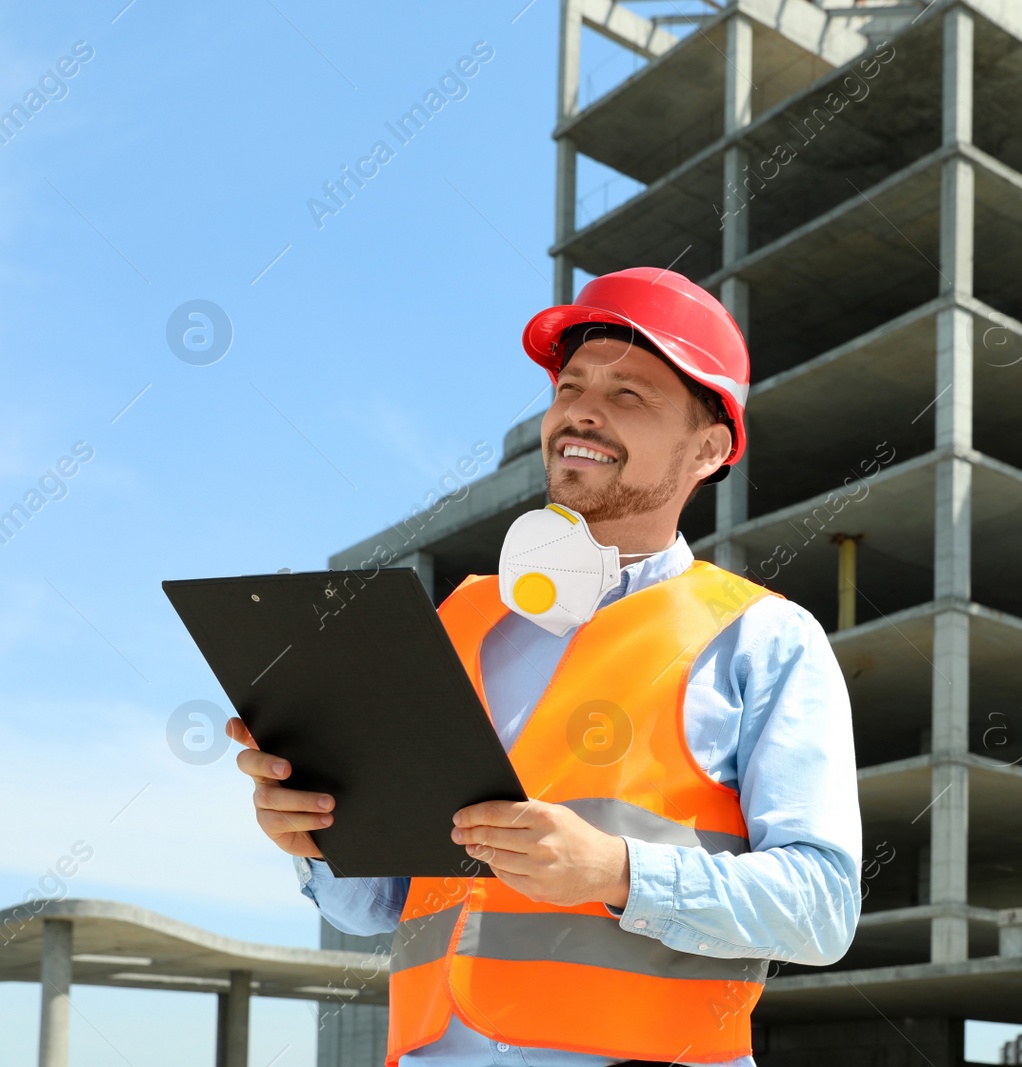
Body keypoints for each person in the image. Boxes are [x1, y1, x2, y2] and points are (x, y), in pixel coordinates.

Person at [225, 268, 862, 1066]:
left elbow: (823, 910)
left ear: (710, 448)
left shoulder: (764, 639)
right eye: (570, 386)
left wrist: (615, 870)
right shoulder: (457, 623)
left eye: (629, 392)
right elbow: (384, 904)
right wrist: (315, 838)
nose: (581, 411)